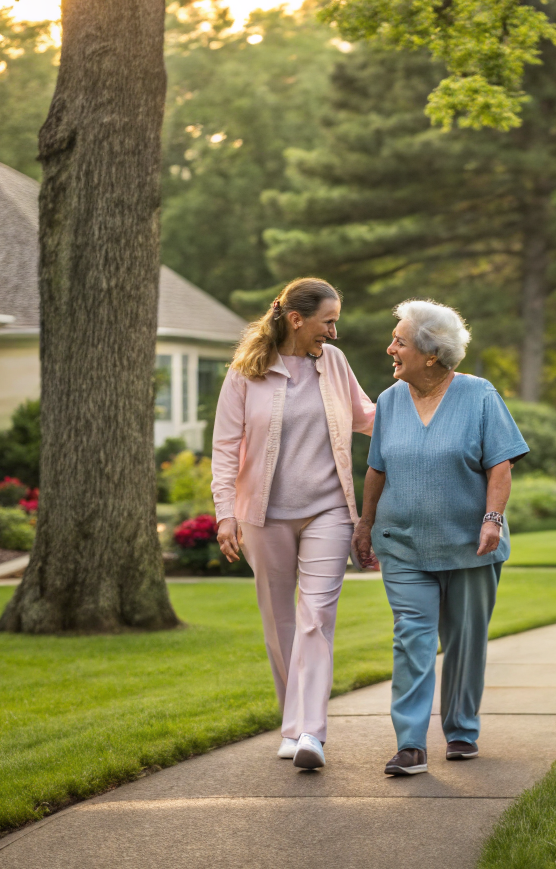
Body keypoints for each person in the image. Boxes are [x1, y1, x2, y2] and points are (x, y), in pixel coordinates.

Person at [352, 299, 529, 776]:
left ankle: (461, 730)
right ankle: (410, 743)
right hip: (404, 544)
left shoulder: (479, 395)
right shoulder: (389, 401)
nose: (391, 347)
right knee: (411, 638)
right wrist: (365, 524)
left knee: (465, 641)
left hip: (470, 545)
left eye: (400, 341)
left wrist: (492, 518)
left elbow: (501, 464)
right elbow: (377, 468)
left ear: (431, 354)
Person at [212, 277, 375, 771]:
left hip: (329, 508)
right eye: (328, 322)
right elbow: (224, 448)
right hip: (263, 516)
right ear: (296, 319)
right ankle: (292, 723)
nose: (334, 332)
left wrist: (427, 402)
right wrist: (224, 513)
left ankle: (310, 733)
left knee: (315, 618)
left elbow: (366, 416)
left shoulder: (334, 365)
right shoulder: (247, 373)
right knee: (280, 621)